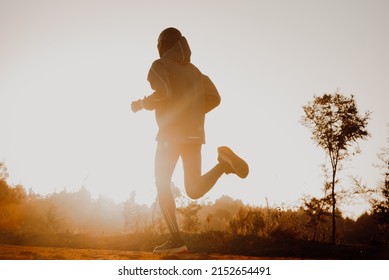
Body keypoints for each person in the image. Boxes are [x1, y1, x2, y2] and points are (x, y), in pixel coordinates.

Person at [131, 27, 249, 254]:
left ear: (162, 45)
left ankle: (176, 240)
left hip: (170, 135)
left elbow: (163, 93)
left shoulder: (160, 65)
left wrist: (141, 104)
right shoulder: (196, 72)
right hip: (194, 135)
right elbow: (215, 98)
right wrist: (193, 112)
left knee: (162, 182)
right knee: (193, 189)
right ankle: (224, 164)